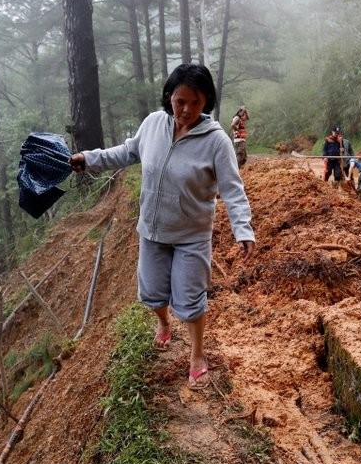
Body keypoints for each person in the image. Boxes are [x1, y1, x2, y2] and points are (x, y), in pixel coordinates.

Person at [69, 64, 256, 390]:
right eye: (180, 101)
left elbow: (232, 189)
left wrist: (244, 229)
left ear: (206, 102)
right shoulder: (153, 124)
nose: (186, 110)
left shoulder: (217, 142)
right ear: (169, 96)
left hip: (191, 236)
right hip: (153, 231)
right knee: (153, 294)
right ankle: (163, 324)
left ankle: (197, 355)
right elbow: (127, 152)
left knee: (190, 300)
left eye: (195, 103)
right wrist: (89, 159)